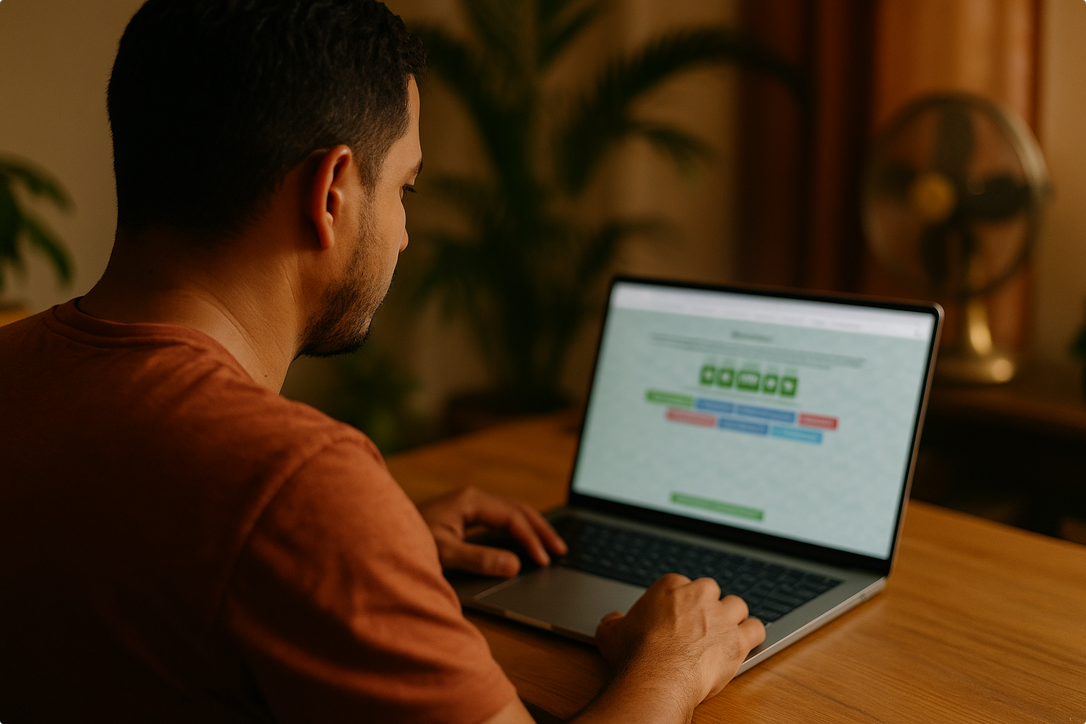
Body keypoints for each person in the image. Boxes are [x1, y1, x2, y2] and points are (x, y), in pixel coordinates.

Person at [0, 1, 765, 722]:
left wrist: (357, 559)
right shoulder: (296, 488)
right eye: (405, 187)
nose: (403, 232)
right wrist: (672, 667)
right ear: (331, 192)